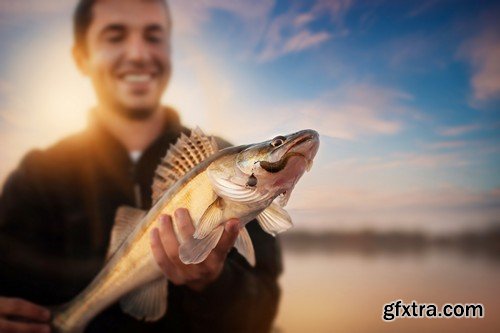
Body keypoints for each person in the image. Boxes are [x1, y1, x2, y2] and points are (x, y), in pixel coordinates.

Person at [0, 0, 282, 332]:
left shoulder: (224, 159)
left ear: (169, 50)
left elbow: (263, 307)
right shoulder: (37, 176)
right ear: (81, 57)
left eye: (153, 36)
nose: (138, 53)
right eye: (115, 36)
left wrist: (213, 284)